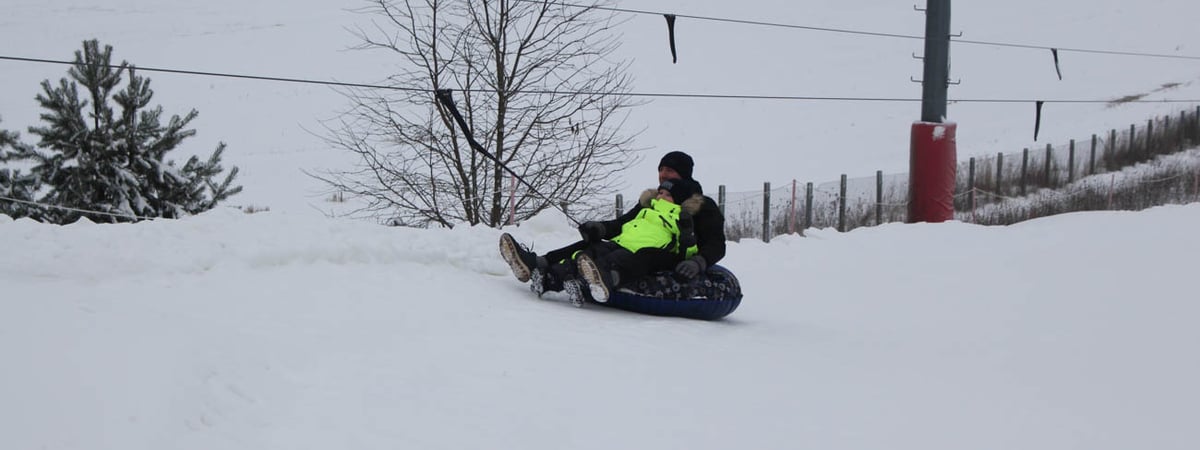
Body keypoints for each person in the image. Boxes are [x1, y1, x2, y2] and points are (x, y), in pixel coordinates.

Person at [500, 151, 727, 296]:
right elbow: (625, 223)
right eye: (660, 169)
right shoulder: (653, 201)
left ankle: (607, 277)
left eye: (669, 170)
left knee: (643, 255)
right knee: (592, 246)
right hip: (632, 244)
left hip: (670, 253)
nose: (662, 175)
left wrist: (699, 262)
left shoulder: (701, 205)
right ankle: (541, 266)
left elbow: (716, 244)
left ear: (684, 174)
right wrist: (600, 229)